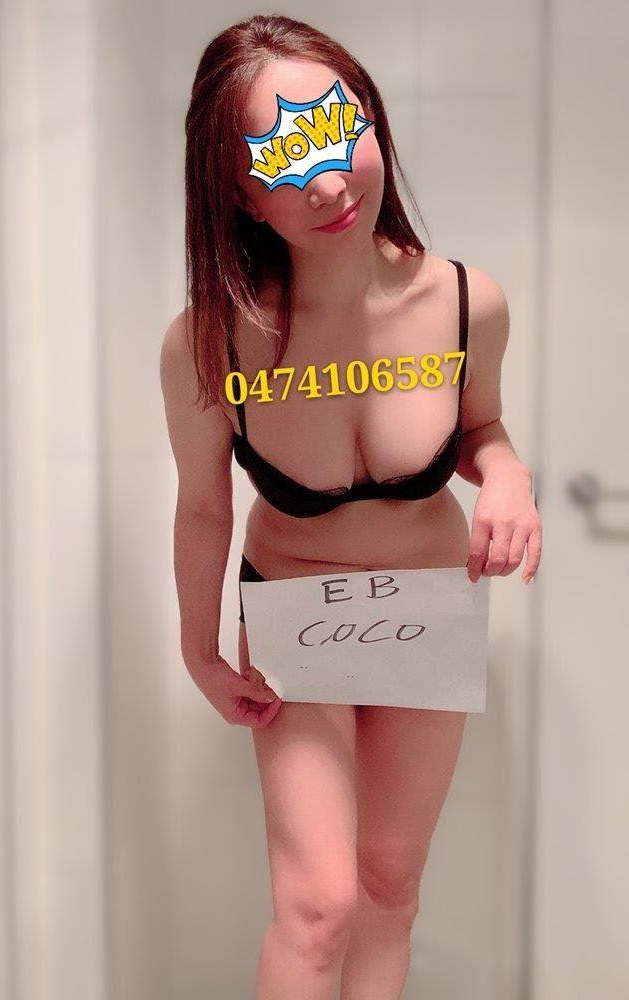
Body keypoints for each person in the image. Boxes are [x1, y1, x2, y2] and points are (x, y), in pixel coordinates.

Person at [159, 14, 542, 1000]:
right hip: (297, 608)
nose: (329, 184)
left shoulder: (467, 303)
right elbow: (203, 506)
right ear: (238, 192)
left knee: (389, 882)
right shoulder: (212, 339)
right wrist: (200, 648)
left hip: (427, 605)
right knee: (318, 904)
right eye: (284, 159)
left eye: (338, 132)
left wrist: (508, 476)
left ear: (371, 119)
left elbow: (480, 428)